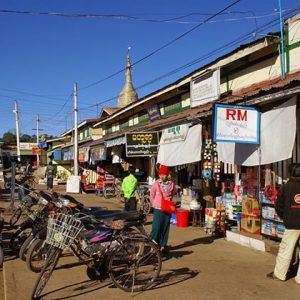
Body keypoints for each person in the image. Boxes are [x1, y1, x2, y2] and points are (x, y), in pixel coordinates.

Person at [267, 163, 300, 284]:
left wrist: (285, 216)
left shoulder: (286, 187)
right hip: (293, 223)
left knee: (286, 250)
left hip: (291, 224)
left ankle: (280, 274)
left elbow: (279, 205)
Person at [150, 165, 175, 253]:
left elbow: (172, 195)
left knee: (165, 227)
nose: (162, 176)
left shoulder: (172, 185)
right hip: (158, 208)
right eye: (161, 174)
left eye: (164, 174)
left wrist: (168, 203)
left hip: (167, 209)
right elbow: (151, 195)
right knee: (156, 227)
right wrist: (154, 204)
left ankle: (163, 245)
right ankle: (153, 243)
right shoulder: (156, 184)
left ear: (167, 174)